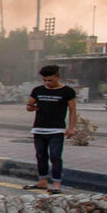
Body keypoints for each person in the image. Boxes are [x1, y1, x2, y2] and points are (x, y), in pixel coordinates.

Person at [23, 65, 78, 194]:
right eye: (45, 80)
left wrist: (71, 128)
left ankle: (56, 183)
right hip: (39, 129)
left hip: (57, 130)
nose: (47, 83)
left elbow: (73, 110)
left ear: (58, 77)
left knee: (55, 156)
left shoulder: (68, 92)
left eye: (50, 80)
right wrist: (32, 107)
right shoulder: (38, 90)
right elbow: (29, 106)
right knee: (41, 155)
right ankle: (42, 181)